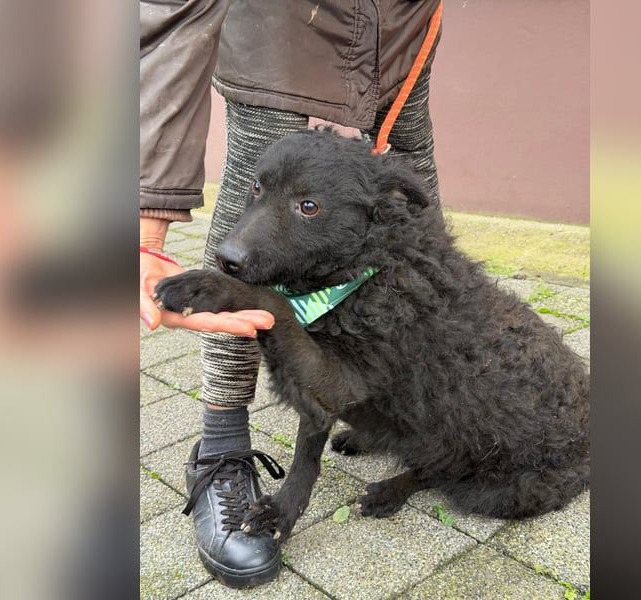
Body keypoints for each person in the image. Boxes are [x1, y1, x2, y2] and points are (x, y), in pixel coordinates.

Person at [140, 0, 443, 589]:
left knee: (414, 217)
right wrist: (145, 223)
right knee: (257, 225)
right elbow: (168, 17)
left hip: (402, 26)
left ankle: (396, 397)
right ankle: (222, 445)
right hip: (282, 20)